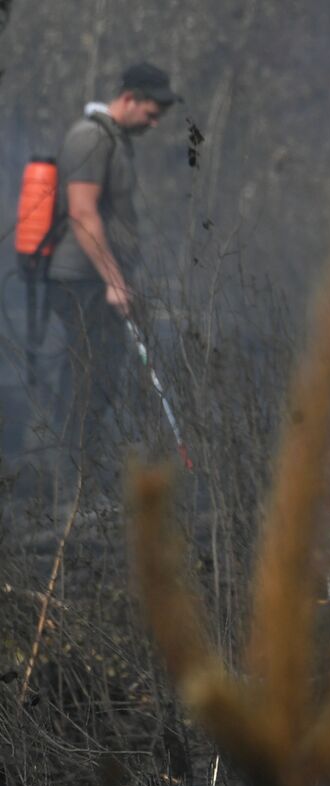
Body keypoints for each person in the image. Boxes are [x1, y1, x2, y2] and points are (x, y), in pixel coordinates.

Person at [46, 62, 178, 490]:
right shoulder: (90, 137)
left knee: (102, 377)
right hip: (82, 280)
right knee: (88, 378)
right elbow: (83, 213)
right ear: (129, 99)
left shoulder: (115, 140)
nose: (155, 121)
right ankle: (70, 489)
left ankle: (81, 479)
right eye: (152, 110)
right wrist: (114, 279)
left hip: (100, 279)